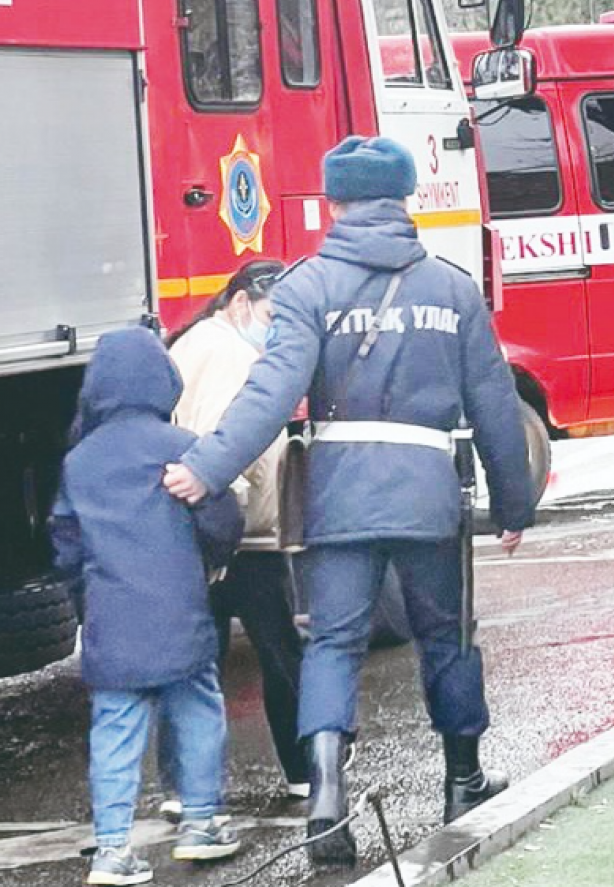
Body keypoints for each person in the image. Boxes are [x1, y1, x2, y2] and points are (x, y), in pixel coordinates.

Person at [162, 135, 535, 864]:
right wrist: (513, 504)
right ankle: (463, 780)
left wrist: (206, 466)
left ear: (333, 204)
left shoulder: (306, 288)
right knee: (447, 636)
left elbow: (267, 396)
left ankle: (326, 803)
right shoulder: (452, 288)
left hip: (338, 497)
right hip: (428, 494)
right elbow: (494, 401)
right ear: (405, 199)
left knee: (332, 643)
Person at [49, 328, 244, 886]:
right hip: (179, 609)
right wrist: (215, 556)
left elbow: (65, 541)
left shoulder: (79, 460)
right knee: (199, 708)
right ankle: (201, 824)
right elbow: (220, 516)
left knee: (114, 727)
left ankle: (112, 849)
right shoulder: (179, 446)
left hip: (112, 618)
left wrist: (84, 588)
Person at [161, 260, 309, 807]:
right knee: (281, 655)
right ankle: (303, 770)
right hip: (240, 535)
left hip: (197, 530)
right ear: (241, 303)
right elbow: (224, 445)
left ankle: (184, 787)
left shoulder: (194, 342)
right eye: (272, 315)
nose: (276, 328)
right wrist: (227, 524)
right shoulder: (233, 354)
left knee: (197, 661)